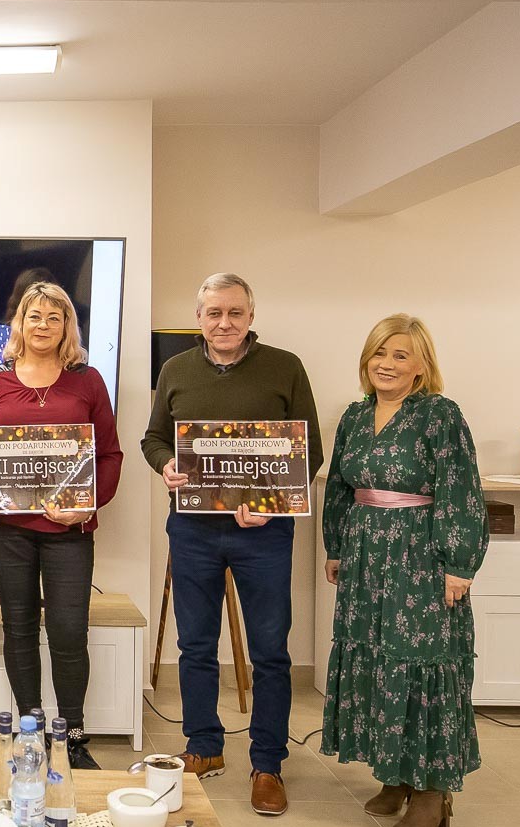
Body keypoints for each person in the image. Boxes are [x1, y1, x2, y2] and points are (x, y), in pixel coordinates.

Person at [140, 272, 323, 815]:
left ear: (251, 316)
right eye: (214, 313)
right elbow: (154, 438)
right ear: (199, 318)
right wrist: (166, 464)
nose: (225, 323)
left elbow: (309, 450)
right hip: (193, 529)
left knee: (270, 651)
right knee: (195, 645)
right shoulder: (175, 370)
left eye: (235, 313)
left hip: (264, 534)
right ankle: (203, 746)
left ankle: (267, 763)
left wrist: (271, 504)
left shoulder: (285, 367)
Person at [320, 314, 487, 827]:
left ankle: (433, 790)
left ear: (421, 366)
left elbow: (461, 488)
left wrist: (459, 564)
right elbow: (340, 486)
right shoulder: (354, 416)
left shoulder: (439, 415)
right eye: (379, 352)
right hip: (365, 557)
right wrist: (335, 545)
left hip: (420, 557)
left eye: (400, 355)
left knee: (422, 664)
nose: (387, 364)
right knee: (376, 662)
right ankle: (394, 775)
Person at [0, 281, 123, 770]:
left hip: (69, 531)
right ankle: (31, 733)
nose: (44, 326)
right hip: (7, 530)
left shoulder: (88, 380)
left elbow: (109, 455)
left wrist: (86, 506)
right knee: (20, 628)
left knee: (70, 632)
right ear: (20, 323)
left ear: (67, 325)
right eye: (35, 316)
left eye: (55, 317)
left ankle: (72, 738)